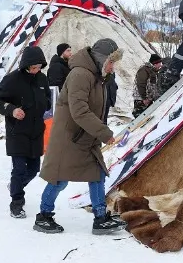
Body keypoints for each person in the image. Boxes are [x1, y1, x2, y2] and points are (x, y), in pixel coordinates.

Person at [35, 38, 128, 235]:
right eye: (111, 62)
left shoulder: (97, 76)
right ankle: (44, 216)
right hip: (70, 137)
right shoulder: (80, 75)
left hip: (86, 135)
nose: (113, 67)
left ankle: (100, 217)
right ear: (102, 59)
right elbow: (79, 111)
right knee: (59, 179)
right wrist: (104, 133)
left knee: (97, 174)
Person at [0, 46, 51, 219]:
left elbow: (47, 98)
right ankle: (16, 203)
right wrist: (12, 110)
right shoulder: (12, 80)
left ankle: (15, 186)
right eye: (33, 67)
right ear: (25, 65)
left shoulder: (42, 79)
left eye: (39, 67)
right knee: (18, 169)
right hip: (17, 132)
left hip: (36, 131)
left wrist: (45, 105)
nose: (36, 70)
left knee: (33, 169)